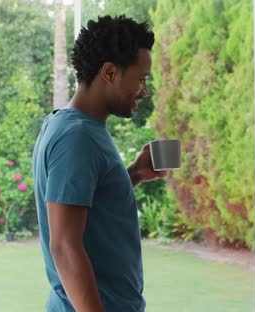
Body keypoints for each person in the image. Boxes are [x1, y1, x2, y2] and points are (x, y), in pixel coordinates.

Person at [32, 15, 166, 312]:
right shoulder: (76, 137)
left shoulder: (77, 127)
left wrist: (134, 174)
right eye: (141, 79)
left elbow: (90, 202)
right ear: (109, 72)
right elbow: (64, 247)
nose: (145, 90)